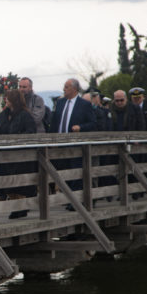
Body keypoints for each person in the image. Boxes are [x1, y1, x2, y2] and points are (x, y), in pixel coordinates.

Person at [49, 78, 96, 210]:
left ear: (74, 89)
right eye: (64, 87)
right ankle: (69, 200)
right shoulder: (60, 102)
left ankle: (77, 202)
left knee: (76, 173)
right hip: (60, 145)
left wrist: (80, 127)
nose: (64, 89)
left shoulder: (84, 104)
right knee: (64, 174)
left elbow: (93, 123)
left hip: (75, 146)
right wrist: (50, 140)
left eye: (66, 87)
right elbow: (54, 123)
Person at [0, 89, 36, 218]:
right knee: (8, 182)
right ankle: (15, 207)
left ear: (14, 100)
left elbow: (31, 132)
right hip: (5, 156)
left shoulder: (25, 115)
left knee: (20, 183)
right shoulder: (4, 115)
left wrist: (16, 139)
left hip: (20, 156)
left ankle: (21, 208)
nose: (6, 100)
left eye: (8, 98)